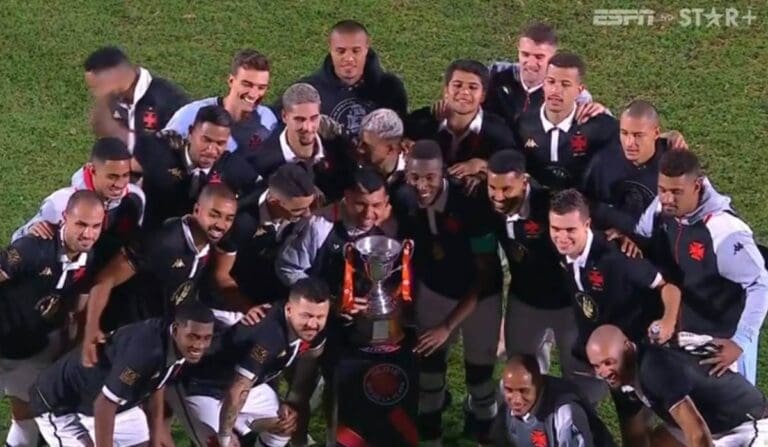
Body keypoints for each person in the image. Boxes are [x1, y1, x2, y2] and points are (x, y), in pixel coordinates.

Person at [634, 150, 768, 384]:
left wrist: (740, 341)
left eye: (676, 192)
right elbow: (641, 235)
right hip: (678, 339)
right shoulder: (662, 208)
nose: (667, 198)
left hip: (719, 347)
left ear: (697, 186)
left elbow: (760, 283)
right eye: (662, 189)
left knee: (735, 408)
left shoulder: (724, 232)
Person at [400, 140, 502, 444]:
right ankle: (430, 437)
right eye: (414, 177)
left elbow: (485, 274)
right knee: (429, 374)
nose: (421, 185)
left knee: (479, 378)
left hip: (479, 297)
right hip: (434, 292)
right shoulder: (403, 197)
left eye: (430, 177)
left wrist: (447, 325)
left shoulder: (471, 202)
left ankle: (485, 433)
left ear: (443, 172)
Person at [486, 151, 605, 402]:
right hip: (524, 301)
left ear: (524, 181)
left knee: (583, 380)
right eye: (492, 188)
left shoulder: (550, 206)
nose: (498, 196)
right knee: (522, 373)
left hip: (568, 305)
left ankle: (577, 421)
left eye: (506, 189)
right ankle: (530, 423)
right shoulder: (488, 204)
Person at [81, 183, 237, 366]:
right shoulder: (163, 241)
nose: (221, 225)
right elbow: (105, 279)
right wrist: (91, 329)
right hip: (127, 335)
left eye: (229, 218)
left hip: (161, 338)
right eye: (214, 215)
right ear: (197, 210)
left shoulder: (213, 242)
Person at [169, 277, 331, 447]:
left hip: (243, 384)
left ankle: (243, 427)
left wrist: (285, 402)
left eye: (320, 316)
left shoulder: (310, 329)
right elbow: (239, 387)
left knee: (285, 425)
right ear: (289, 309)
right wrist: (225, 436)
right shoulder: (269, 336)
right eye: (306, 316)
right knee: (219, 444)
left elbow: (303, 357)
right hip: (201, 386)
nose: (313, 323)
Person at [30, 300, 215, 447]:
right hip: (63, 405)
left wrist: (156, 436)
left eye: (206, 338)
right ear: (175, 329)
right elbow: (104, 405)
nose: (199, 345)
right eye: (193, 337)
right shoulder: (146, 352)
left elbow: (157, 386)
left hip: (115, 402)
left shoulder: (178, 345)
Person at [0, 191, 104, 447]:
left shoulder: (88, 258)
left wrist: (71, 345)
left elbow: (77, 307)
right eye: (81, 224)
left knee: (27, 416)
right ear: (64, 218)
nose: (88, 234)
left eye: (95, 226)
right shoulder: (31, 248)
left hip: (32, 350)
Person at [549, 189, 681, 367]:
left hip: (628, 356)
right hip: (591, 351)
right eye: (555, 229)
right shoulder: (561, 249)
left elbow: (667, 286)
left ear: (587, 224)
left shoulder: (617, 256)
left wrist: (668, 321)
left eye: (570, 230)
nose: (562, 237)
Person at [587, 324, 768, 446]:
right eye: (597, 366)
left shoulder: (653, 371)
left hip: (746, 424)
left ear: (627, 348)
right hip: (714, 424)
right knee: (659, 441)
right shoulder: (628, 371)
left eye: (608, 362)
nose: (604, 372)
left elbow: (697, 433)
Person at [12, 137, 145, 272]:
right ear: (92, 170)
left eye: (125, 175)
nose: (120, 184)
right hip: (64, 275)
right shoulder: (61, 203)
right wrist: (30, 231)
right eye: (112, 177)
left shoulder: (135, 198)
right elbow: (16, 244)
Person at [208, 163, 317, 322]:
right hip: (240, 289)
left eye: (309, 206)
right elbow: (220, 275)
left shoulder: (298, 206)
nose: (307, 214)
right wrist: (248, 309)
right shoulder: (241, 223)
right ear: (273, 202)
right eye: (298, 210)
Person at [133, 104, 258, 229]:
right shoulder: (164, 153)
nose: (211, 150)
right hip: (151, 232)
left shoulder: (230, 165)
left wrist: (231, 208)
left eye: (220, 143)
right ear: (191, 131)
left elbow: (260, 188)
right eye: (206, 140)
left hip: (198, 238)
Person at [405, 59, 517, 192]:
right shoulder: (424, 119)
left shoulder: (498, 130)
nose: (464, 92)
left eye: (472, 87)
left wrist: (483, 166)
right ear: (446, 90)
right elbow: (398, 137)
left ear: (483, 96)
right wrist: (406, 143)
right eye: (457, 85)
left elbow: (514, 163)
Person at [513, 53, 619, 192]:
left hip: (582, 202)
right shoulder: (523, 123)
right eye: (551, 81)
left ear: (579, 90)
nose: (556, 90)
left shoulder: (598, 125)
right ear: (543, 84)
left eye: (565, 84)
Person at [582, 99, 687, 234]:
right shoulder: (604, 161)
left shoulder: (674, 166)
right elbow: (584, 203)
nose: (629, 143)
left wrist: (635, 237)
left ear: (656, 133)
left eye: (638, 135)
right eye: (624, 133)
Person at [290, 20, 407, 135]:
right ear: (330, 48)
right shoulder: (307, 91)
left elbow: (400, 136)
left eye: (356, 51)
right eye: (341, 51)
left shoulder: (390, 89)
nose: (349, 58)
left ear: (367, 47)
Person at [249, 82, 353, 202]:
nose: (308, 127)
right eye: (300, 119)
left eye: (314, 118)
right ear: (284, 116)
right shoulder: (263, 162)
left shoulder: (337, 146)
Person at [165, 49, 278, 152]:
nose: (253, 94)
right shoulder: (191, 114)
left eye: (261, 88)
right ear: (231, 81)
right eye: (247, 84)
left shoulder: (267, 119)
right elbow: (161, 152)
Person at [489, 354, 615, 447]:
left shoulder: (566, 413)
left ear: (538, 385)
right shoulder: (505, 403)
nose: (516, 399)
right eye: (509, 390)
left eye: (523, 391)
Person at [83, 46, 188, 152]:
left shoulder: (166, 101)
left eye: (97, 86)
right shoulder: (115, 99)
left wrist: (117, 131)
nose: (95, 93)